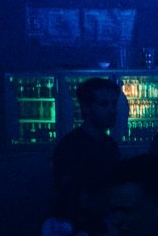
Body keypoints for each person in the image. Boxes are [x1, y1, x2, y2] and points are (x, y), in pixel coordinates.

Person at [52, 77, 121, 215]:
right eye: (104, 104)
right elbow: (69, 198)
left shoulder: (110, 145)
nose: (112, 110)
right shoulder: (70, 146)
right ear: (86, 107)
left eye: (114, 104)